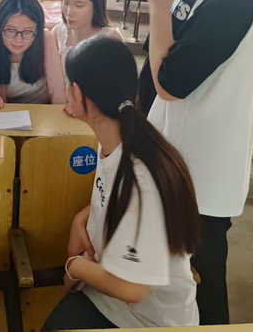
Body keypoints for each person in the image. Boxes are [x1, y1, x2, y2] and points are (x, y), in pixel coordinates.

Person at [144, 0, 253, 325]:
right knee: (181, 274)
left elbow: (169, 81)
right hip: (185, 155)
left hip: (206, 170)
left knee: (203, 277)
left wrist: (158, 7)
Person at [42, 36, 200, 330]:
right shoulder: (122, 139)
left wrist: (75, 267)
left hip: (147, 319)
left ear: (77, 94)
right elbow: (116, 199)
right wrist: (81, 218)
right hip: (108, 291)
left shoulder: (141, 177)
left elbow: (133, 289)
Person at [46, 0, 123, 107]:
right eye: (65, 2)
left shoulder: (111, 39)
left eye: (79, 5)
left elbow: (113, 90)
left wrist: (81, 108)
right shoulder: (58, 34)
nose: (69, 12)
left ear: (96, 5)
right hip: (61, 110)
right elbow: (55, 85)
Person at [0, 0, 63, 112]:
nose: (18, 40)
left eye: (27, 32)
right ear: (0, 28)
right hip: (6, 113)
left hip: (42, 113)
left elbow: (58, 93)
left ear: (37, 31)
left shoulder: (45, 39)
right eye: (11, 31)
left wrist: (60, 115)